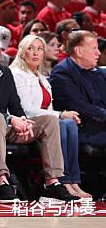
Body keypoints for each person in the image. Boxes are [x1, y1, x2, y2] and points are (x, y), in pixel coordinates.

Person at [0, 31, 79, 204]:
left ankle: (52, 183)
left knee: (50, 121)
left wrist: (23, 121)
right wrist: (11, 119)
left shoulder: (5, 72)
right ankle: (1, 181)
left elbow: (15, 104)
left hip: (8, 126)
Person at [10, 35, 91, 198]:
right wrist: (60, 114)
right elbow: (26, 109)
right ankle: (62, 180)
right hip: (26, 122)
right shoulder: (17, 74)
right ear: (22, 52)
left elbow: (48, 108)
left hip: (45, 122)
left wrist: (62, 116)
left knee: (69, 124)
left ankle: (73, 181)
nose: (35, 53)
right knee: (61, 122)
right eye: (31, 48)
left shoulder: (42, 78)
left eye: (39, 49)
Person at [50, 31, 106, 148]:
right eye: (94, 48)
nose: (98, 53)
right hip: (85, 129)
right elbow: (79, 106)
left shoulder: (98, 72)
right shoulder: (62, 73)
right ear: (79, 51)